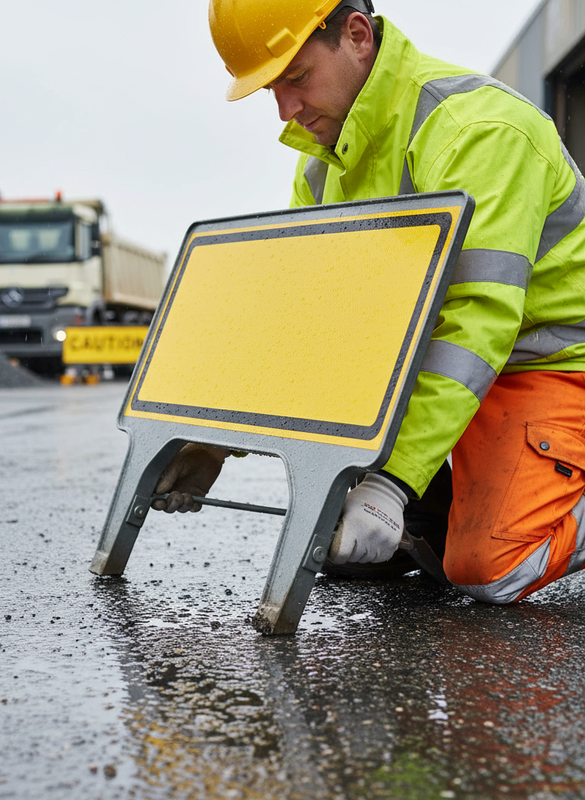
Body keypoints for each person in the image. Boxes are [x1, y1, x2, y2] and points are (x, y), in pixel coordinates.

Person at [152, 0, 585, 604]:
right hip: (450, 365)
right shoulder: (319, 171)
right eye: (270, 90)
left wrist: (392, 484)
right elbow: (309, 322)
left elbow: (475, 323)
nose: (286, 111)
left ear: (356, 35)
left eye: (296, 78)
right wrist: (214, 439)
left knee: (491, 565)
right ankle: (430, 518)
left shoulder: (477, 132)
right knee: (345, 546)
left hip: (547, 362)